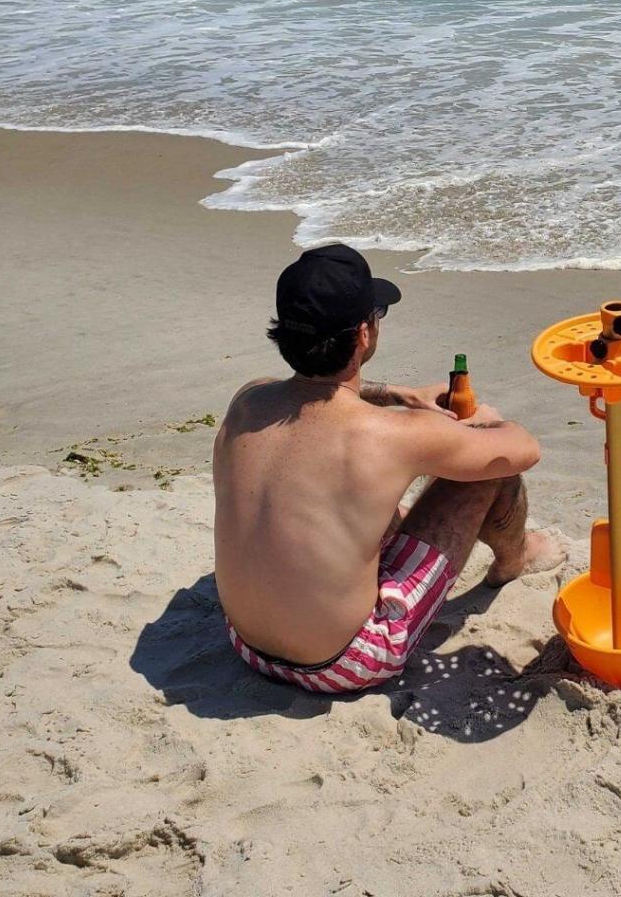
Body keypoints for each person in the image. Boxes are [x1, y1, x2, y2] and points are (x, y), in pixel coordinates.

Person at [213, 243, 566, 694]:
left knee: (360, 502)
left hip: (245, 644)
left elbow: (317, 397)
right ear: (364, 334)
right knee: (489, 470)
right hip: (344, 662)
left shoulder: (248, 401)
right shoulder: (389, 436)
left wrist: (402, 394)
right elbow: (524, 450)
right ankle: (515, 559)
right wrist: (485, 422)